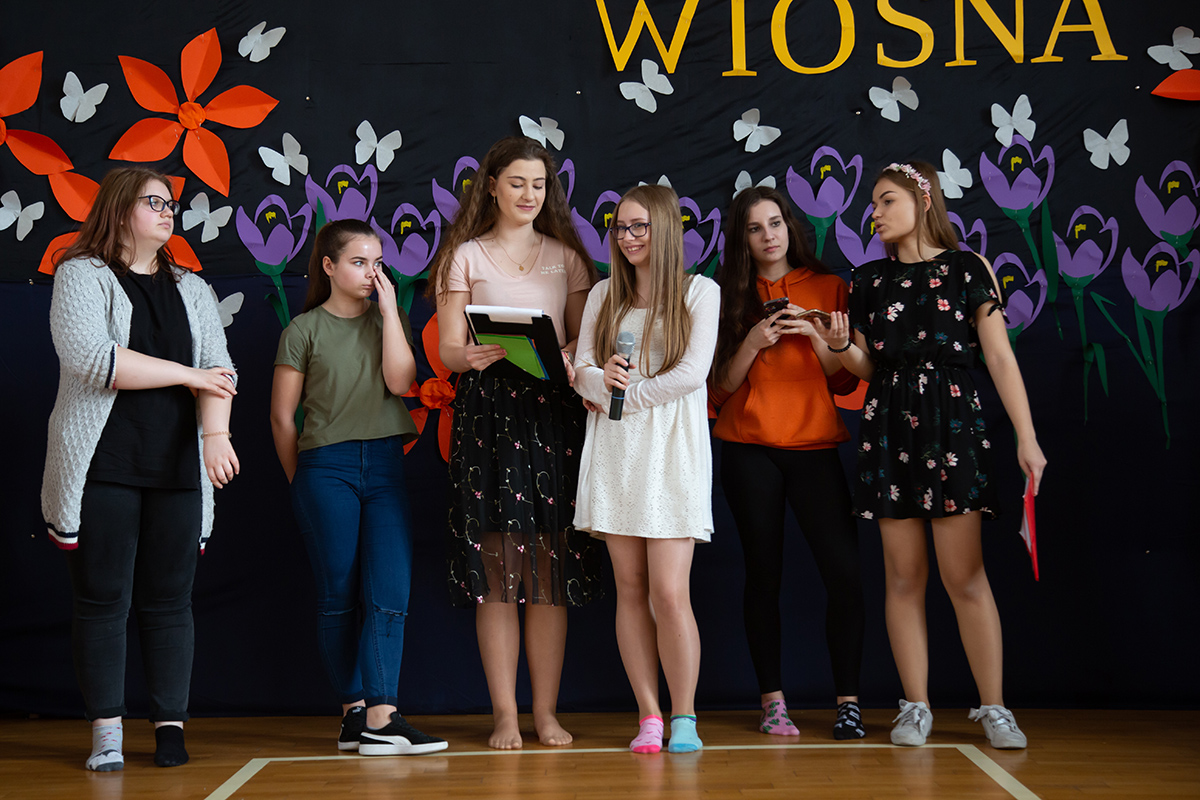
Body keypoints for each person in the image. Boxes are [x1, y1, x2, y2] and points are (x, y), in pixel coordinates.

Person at [818, 162, 1047, 749]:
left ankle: (994, 707)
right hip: (890, 427)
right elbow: (866, 368)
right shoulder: (867, 279)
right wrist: (840, 346)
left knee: (964, 575)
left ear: (923, 200)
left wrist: (1026, 436)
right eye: (873, 203)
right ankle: (914, 706)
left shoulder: (970, 269)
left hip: (954, 427)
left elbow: (999, 358)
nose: (874, 213)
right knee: (903, 576)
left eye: (885, 200)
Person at [42, 167, 239, 771]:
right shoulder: (81, 273)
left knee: (170, 602)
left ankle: (170, 727)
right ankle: (107, 733)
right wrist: (188, 374)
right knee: (103, 600)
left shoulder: (193, 289)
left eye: (171, 202)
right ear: (120, 207)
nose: (167, 210)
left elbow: (221, 371)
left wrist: (216, 435)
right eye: (154, 201)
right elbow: (92, 359)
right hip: (104, 464)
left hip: (178, 468)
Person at [427, 136, 603, 750]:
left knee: (548, 568)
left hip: (554, 412)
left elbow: (583, 340)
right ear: (492, 187)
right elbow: (450, 348)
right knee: (498, 568)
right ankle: (505, 715)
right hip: (488, 412)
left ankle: (545, 713)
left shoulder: (568, 258)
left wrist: (563, 354)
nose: (530, 194)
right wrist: (470, 356)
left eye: (539, 184)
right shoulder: (463, 256)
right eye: (517, 182)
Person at [271, 219, 447, 756]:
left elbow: (402, 382)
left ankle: (382, 717)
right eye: (358, 262)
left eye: (378, 263)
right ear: (328, 266)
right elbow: (282, 418)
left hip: (387, 465)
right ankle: (354, 714)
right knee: (339, 594)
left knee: (389, 592)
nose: (372, 273)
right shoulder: (302, 329)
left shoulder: (387, 320)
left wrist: (391, 312)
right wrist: (301, 481)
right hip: (325, 467)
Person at [710, 186, 867, 740]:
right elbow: (717, 391)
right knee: (763, 575)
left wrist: (821, 338)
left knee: (845, 574)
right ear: (742, 239)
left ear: (790, 226)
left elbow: (844, 383)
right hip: (749, 450)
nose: (768, 235)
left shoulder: (829, 287)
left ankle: (848, 702)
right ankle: (772, 702)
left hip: (815, 447)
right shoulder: (724, 296)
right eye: (755, 228)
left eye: (775, 223)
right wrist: (753, 341)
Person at [573, 184, 720, 754]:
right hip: (616, 450)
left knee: (669, 591)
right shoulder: (604, 294)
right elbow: (582, 369)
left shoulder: (699, 291)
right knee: (630, 589)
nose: (629, 237)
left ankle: (684, 716)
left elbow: (692, 373)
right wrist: (598, 379)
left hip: (672, 449)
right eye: (621, 228)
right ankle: (649, 716)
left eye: (640, 226)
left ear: (666, 229)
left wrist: (626, 395)